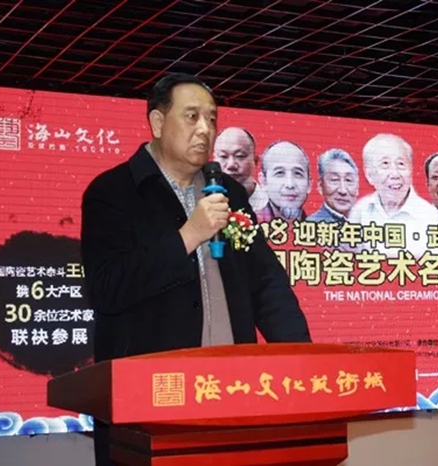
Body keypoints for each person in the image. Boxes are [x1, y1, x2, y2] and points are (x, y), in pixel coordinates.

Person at [80, 73, 312, 466]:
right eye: (192, 117)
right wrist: (189, 236)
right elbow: (108, 288)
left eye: (212, 118)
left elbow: (266, 284)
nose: (205, 129)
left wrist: (304, 362)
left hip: (231, 394)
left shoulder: (229, 192)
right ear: (157, 122)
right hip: (151, 403)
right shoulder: (112, 192)